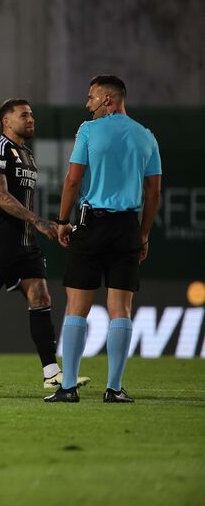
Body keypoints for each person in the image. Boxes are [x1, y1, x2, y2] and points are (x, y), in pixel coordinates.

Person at [0, 98, 89, 389]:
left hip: (25, 243)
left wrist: (34, 226)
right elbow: (0, 197)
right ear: (6, 121)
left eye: (32, 114)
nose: (31, 119)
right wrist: (38, 221)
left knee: (41, 296)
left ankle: (51, 373)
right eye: (24, 115)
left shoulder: (27, 155)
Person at [45, 75, 161, 403]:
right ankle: (114, 388)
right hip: (127, 228)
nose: (87, 104)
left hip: (91, 225)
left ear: (107, 100)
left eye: (91, 97)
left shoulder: (89, 130)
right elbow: (154, 191)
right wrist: (143, 234)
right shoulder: (146, 136)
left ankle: (68, 387)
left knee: (76, 309)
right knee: (120, 310)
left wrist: (63, 221)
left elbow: (72, 179)